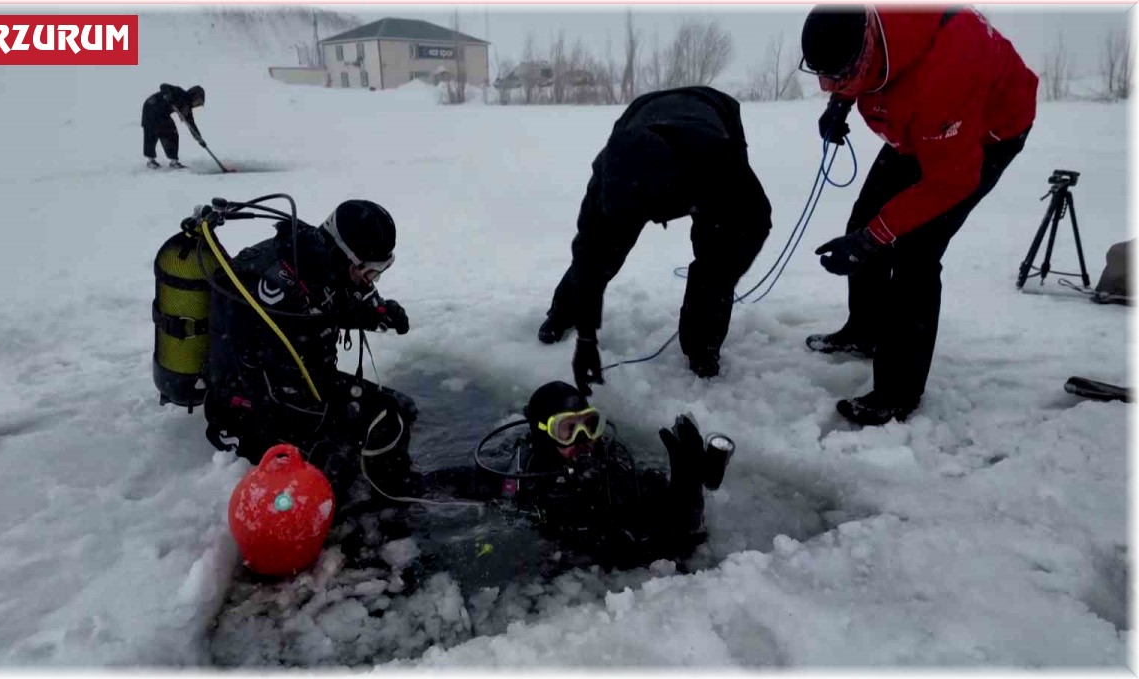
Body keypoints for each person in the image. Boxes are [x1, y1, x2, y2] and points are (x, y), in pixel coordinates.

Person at [800, 6, 1037, 425]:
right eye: (824, 78)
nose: (827, 87)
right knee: (864, 221)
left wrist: (872, 240)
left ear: (868, 48)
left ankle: (898, 393)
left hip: (984, 133)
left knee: (915, 252)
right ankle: (865, 330)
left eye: (838, 78)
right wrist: (841, 100)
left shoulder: (947, 75)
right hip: (918, 123)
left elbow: (950, 181)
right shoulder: (865, 30)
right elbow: (859, 62)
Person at [536, 86, 773, 386]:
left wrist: (720, 276)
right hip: (643, 112)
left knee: (716, 260)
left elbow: (755, 221)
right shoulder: (608, 172)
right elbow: (589, 250)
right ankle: (562, 314)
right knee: (601, 250)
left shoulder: (720, 163)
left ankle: (703, 346)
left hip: (712, 118)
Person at [204, 199, 420, 508]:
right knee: (363, 438)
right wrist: (342, 427)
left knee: (399, 411)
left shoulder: (321, 263)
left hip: (304, 381)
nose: (371, 280)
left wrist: (381, 313)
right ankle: (364, 515)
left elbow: (342, 299)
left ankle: (386, 490)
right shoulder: (274, 291)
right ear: (343, 254)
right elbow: (275, 393)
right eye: (370, 271)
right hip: (251, 411)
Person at [424, 381, 735, 570]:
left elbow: (675, 541)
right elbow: (454, 482)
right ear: (544, 435)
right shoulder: (520, 479)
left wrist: (687, 489)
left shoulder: (614, 467)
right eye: (567, 429)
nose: (584, 438)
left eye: (589, 423)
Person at [142, 83, 205, 169]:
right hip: (151, 107)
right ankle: (151, 161)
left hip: (162, 114)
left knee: (172, 133)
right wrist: (167, 95)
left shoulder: (186, 108)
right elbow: (163, 86)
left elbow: (191, 125)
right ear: (194, 96)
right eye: (198, 101)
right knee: (152, 132)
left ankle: (173, 161)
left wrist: (199, 139)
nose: (197, 105)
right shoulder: (179, 92)